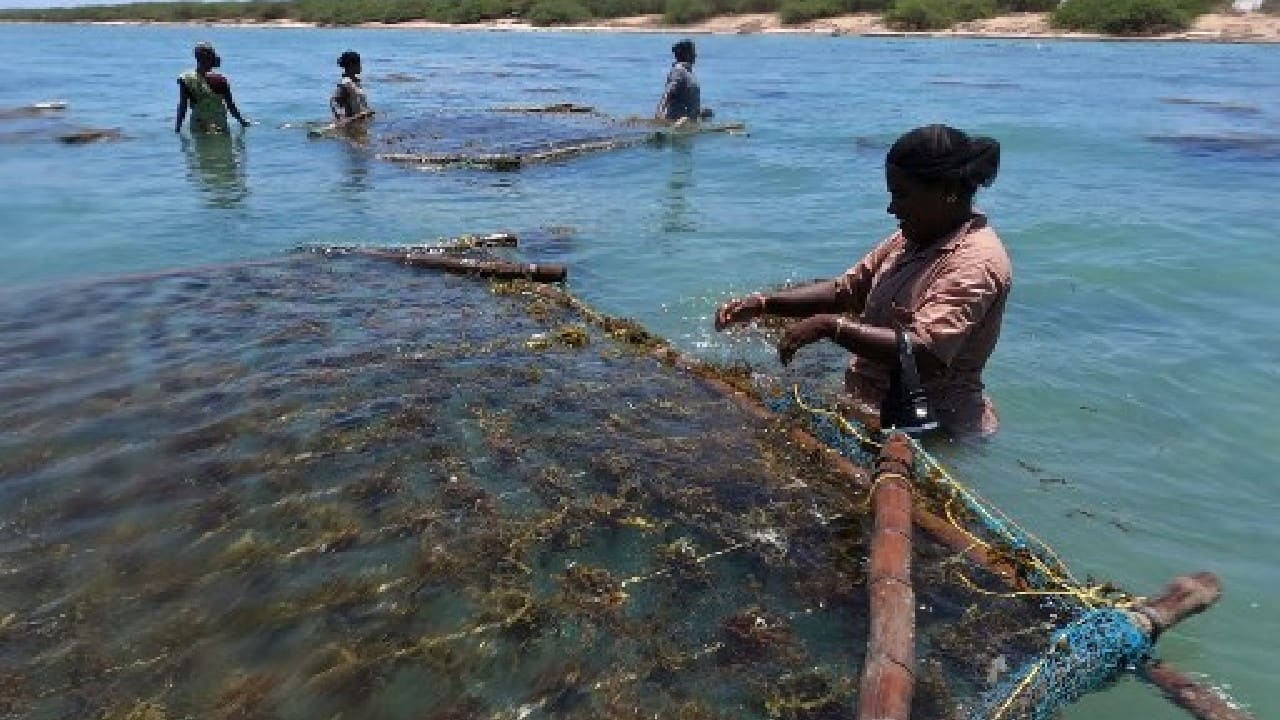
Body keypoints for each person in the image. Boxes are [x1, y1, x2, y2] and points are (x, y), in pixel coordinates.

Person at [715, 125, 1010, 439]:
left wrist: (831, 327)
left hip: (930, 429)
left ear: (946, 192)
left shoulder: (975, 263)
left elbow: (926, 353)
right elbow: (845, 291)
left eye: (902, 195)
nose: (892, 208)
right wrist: (764, 304)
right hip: (869, 407)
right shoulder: (913, 237)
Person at [175, 42, 250, 134]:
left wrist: (178, 127)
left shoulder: (186, 78)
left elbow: (183, 106)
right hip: (219, 124)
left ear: (197, 58)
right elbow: (231, 106)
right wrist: (242, 121)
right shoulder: (220, 80)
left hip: (198, 124)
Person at [655, 39, 704, 124]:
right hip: (677, 120)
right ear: (687, 54)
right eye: (693, 52)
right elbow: (668, 93)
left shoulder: (687, 72)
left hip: (689, 119)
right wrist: (659, 115)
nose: (696, 55)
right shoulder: (678, 70)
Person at [331, 50, 374, 127]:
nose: (361, 65)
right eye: (359, 63)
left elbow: (360, 103)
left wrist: (368, 111)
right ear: (351, 65)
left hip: (360, 123)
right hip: (351, 124)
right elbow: (334, 101)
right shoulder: (346, 83)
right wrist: (341, 118)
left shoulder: (355, 82)